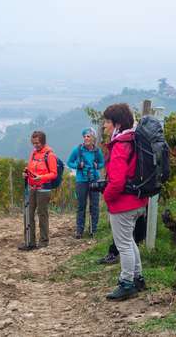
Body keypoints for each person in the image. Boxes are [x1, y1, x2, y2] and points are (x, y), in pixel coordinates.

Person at [102, 103, 149, 301]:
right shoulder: (133, 139)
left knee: (123, 245)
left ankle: (127, 283)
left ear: (117, 124)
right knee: (129, 241)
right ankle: (138, 279)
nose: (104, 126)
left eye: (107, 122)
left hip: (123, 203)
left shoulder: (121, 145)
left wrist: (107, 196)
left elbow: (118, 180)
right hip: (138, 201)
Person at [18, 131, 58, 251]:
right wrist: (26, 173)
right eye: (34, 143)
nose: (35, 145)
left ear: (43, 141)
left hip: (44, 189)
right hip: (32, 187)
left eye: (37, 143)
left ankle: (43, 241)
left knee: (42, 214)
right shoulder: (33, 154)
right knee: (28, 214)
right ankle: (30, 241)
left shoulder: (50, 155)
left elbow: (54, 174)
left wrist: (42, 177)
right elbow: (30, 168)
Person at [67, 127, 105, 239]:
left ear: (93, 138)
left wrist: (97, 166)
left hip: (94, 180)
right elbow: (69, 162)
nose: (86, 138)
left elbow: (102, 162)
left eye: (88, 136)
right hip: (81, 181)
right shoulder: (77, 150)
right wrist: (78, 166)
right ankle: (79, 230)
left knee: (94, 206)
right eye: (84, 136)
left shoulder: (97, 151)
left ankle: (93, 229)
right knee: (81, 206)